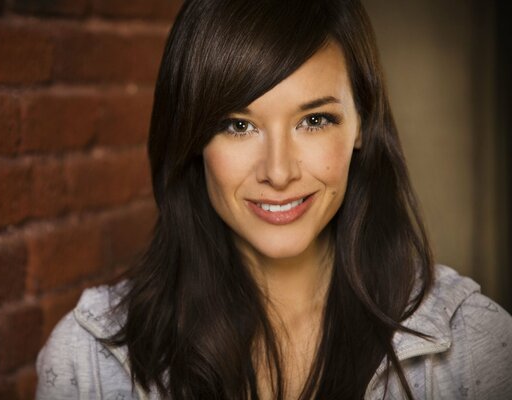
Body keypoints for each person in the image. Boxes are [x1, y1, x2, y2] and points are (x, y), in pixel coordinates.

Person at [35, 0, 512, 399]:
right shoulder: (91, 362)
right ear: (192, 139)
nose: (278, 172)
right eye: (238, 125)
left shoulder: (474, 347)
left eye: (315, 120)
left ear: (362, 124)